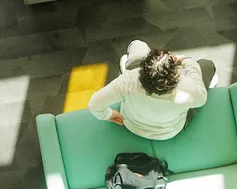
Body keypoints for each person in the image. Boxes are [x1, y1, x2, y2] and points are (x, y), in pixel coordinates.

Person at [87, 40, 217, 140]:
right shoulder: (187, 89)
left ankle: (128, 64)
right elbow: (201, 98)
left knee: (137, 44)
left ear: (144, 67)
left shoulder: (128, 80)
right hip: (169, 132)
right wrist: (187, 61)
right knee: (206, 65)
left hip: (132, 125)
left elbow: (94, 104)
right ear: (175, 75)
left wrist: (109, 115)